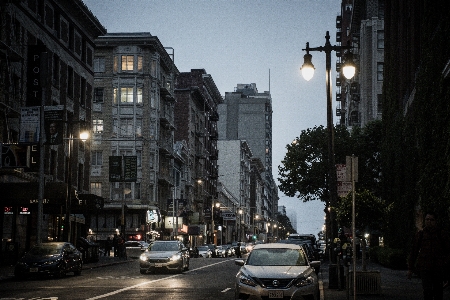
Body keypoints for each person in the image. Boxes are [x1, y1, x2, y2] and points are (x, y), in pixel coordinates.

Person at [408, 211, 450, 300]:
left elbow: (447, 251)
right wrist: (410, 268)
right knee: (427, 292)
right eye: (427, 219)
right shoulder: (421, 234)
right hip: (425, 268)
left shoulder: (441, 234)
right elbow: (414, 251)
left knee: (438, 292)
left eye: (431, 220)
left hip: (438, 268)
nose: (429, 222)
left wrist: (445, 266)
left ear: (435, 221)